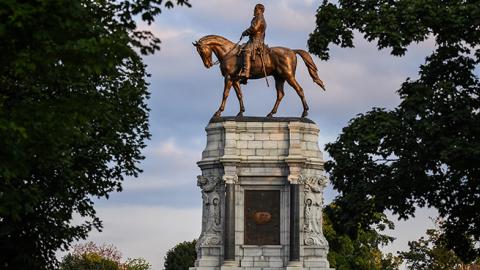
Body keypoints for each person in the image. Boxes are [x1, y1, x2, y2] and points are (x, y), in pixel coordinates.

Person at [238, 3, 266, 84]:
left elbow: (254, 28)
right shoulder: (258, 18)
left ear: (260, 10)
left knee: (246, 50)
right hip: (253, 39)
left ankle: (246, 72)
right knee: (242, 48)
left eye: (255, 9)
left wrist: (245, 32)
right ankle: (244, 76)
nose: (254, 10)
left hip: (256, 40)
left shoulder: (259, 18)